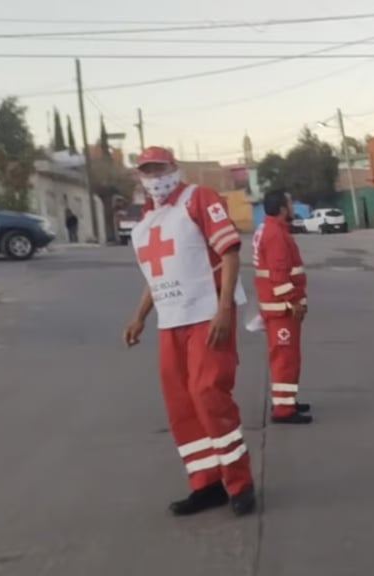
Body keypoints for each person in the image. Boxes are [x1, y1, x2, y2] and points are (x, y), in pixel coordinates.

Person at [121, 146, 256, 517]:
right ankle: (206, 483)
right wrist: (140, 317)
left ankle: (240, 482)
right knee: (182, 405)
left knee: (208, 392)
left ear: (173, 168)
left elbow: (229, 253)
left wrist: (224, 308)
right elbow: (157, 276)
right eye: (146, 171)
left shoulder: (198, 199)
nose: (154, 176)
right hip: (171, 322)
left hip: (206, 316)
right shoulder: (147, 222)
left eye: (159, 168)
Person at [252, 189, 313, 425]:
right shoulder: (275, 234)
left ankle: (286, 401)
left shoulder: (268, 229)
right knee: (285, 359)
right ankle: (283, 410)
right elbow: (279, 275)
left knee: (286, 357)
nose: (292, 207)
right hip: (281, 310)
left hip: (277, 308)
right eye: (289, 203)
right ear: (281, 209)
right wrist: (294, 301)